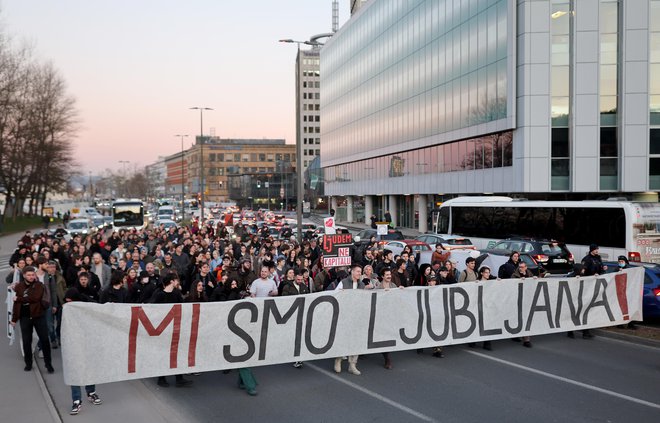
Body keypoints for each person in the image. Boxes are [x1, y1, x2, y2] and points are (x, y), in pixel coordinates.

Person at [63, 287, 103, 415]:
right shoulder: (66, 309)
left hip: (87, 343)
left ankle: (91, 392)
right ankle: (76, 400)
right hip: (73, 345)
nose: (68, 303)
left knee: (89, 368)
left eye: (70, 301)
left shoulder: (87, 306)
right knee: (75, 372)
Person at [10, 266, 55, 373]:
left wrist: (19, 298)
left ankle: (48, 364)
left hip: (38, 316)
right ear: (24, 275)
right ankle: (28, 363)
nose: (31, 277)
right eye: (29, 275)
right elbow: (16, 305)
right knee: (26, 341)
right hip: (25, 318)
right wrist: (14, 319)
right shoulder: (19, 286)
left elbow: (35, 298)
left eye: (32, 275)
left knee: (44, 340)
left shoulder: (39, 285)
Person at [152, 273, 193, 388]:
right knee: (164, 354)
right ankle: (161, 378)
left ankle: (179, 378)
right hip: (164, 330)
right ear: (171, 281)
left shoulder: (176, 294)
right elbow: (153, 311)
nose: (177, 282)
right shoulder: (159, 295)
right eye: (176, 280)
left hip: (175, 328)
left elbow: (182, 308)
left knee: (177, 353)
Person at [333, 264, 365, 375]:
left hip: (356, 316)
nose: (359, 273)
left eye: (360, 272)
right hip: (344, 315)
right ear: (352, 272)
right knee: (342, 338)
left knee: (355, 340)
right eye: (357, 271)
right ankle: (338, 360)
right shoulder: (344, 283)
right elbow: (335, 295)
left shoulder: (361, 285)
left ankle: (352, 364)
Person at [281, 270, 310, 368]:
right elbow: (284, 301)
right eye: (298, 279)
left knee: (299, 336)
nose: (299, 281)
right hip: (291, 316)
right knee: (292, 336)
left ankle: (298, 358)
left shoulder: (304, 287)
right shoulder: (287, 287)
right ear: (294, 278)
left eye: (301, 279)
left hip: (301, 315)